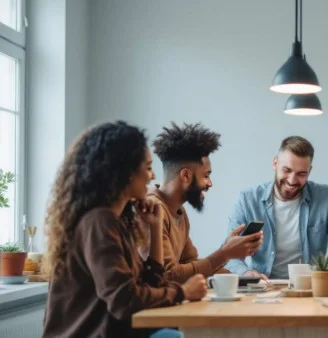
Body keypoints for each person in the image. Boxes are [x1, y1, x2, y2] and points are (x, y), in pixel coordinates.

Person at [43, 121, 206, 338]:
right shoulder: (99, 221)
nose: (153, 176)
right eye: (148, 168)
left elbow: (149, 284)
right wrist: (183, 292)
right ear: (124, 171)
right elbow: (124, 300)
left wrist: (155, 227)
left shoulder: (116, 220)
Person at [225, 136, 328, 279]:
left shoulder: (326, 197)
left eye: (301, 174)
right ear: (275, 163)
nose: (292, 180)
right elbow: (229, 252)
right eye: (287, 170)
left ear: (309, 171)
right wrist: (246, 273)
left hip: (310, 288)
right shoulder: (248, 199)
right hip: (263, 288)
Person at [146, 122, 263, 283]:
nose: (210, 183)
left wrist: (246, 278)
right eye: (206, 175)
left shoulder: (178, 212)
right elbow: (169, 275)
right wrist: (225, 253)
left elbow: (192, 265)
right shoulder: (151, 209)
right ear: (185, 175)